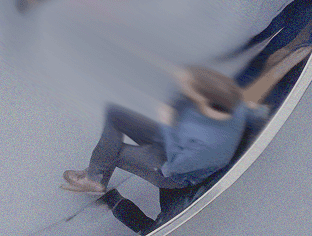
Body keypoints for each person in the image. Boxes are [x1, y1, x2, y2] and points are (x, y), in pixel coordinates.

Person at [60, 66, 250, 195]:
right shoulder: (232, 101)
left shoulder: (208, 146)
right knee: (115, 112)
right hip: (176, 137)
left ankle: (95, 180)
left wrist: (167, 124)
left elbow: (173, 168)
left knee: (114, 153)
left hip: (172, 170)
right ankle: (98, 169)